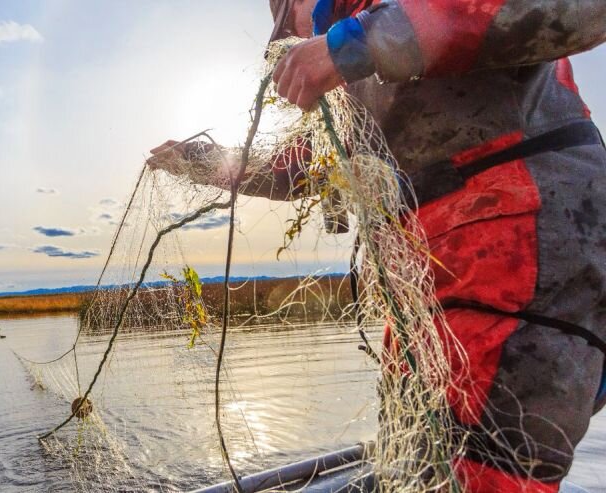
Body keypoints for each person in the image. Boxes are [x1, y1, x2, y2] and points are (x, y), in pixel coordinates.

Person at [148, 1, 606, 491]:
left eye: (287, 18)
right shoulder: (356, 85)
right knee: (420, 458)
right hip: (432, 286)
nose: (285, 35)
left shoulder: (375, 29)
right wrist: (199, 160)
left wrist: (352, 44)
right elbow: (309, 166)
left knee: (480, 472)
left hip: (520, 248)